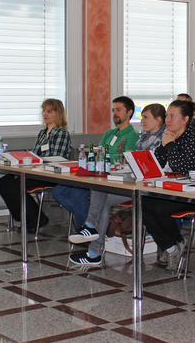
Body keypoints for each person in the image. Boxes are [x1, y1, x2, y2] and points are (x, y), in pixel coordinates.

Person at [68, 103, 167, 265]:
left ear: (158, 120)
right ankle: (92, 242)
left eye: (145, 117)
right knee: (100, 189)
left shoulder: (165, 139)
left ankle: (93, 243)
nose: (142, 121)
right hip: (134, 180)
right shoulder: (143, 138)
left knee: (101, 196)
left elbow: (156, 166)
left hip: (150, 186)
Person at [142, 100, 195, 272]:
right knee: (143, 204)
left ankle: (175, 243)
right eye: (167, 116)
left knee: (160, 208)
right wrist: (162, 147)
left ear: (185, 119)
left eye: (172, 116)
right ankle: (172, 247)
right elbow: (156, 164)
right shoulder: (169, 136)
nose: (167, 120)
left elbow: (185, 168)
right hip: (177, 189)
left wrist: (169, 145)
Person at [51, 96, 139, 228]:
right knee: (58, 191)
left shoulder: (132, 135)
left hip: (112, 179)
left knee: (77, 194)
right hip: (98, 174)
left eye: (119, 110)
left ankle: (86, 228)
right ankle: (91, 222)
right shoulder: (109, 133)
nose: (114, 113)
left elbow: (127, 162)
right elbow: (99, 156)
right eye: (113, 110)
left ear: (129, 112)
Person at [0, 99, 72, 232]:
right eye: (44, 111)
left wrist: (32, 166)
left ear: (58, 113)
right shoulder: (42, 133)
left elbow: (55, 159)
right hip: (36, 171)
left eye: (49, 111)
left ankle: (37, 218)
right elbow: (35, 156)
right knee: (2, 183)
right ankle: (26, 218)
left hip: (51, 174)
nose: (45, 114)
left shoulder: (62, 133)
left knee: (15, 185)